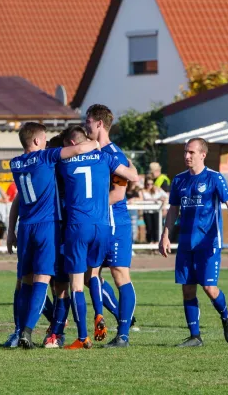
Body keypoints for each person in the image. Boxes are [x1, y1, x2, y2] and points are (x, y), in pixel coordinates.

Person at [6, 122, 102, 349]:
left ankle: (27, 330)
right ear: (38, 141)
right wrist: (97, 142)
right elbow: (78, 149)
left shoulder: (15, 163)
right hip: (48, 226)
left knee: (26, 282)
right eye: (45, 139)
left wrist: (11, 231)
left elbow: (18, 198)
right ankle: (27, 332)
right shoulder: (47, 158)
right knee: (45, 280)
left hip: (26, 227)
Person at [57, 125, 138, 350]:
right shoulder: (106, 158)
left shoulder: (64, 162)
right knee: (93, 274)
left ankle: (83, 337)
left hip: (79, 225)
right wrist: (129, 161)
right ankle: (100, 314)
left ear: (73, 145)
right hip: (102, 226)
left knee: (76, 283)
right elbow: (133, 176)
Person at [158, 137, 228, 347]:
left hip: (208, 242)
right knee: (187, 289)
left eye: (191, 152)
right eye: (186, 152)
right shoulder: (179, 180)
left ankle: (225, 316)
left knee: (209, 288)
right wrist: (165, 235)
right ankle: (195, 336)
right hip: (186, 243)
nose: (187, 156)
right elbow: (173, 210)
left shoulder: (214, 178)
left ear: (203, 155)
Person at [85, 104, 139, 347]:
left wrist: (87, 207)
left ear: (98, 124)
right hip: (100, 223)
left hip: (115, 223)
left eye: (88, 122)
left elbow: (118, 194)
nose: (85, 126)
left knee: (120, 276)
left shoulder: (113, 154)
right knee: (89, 275)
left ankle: (123, 334)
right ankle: (122, 316)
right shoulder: (96, 152)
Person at [141, 177, 167, 248]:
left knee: (157, 228)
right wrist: (157, 199)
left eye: (151, 184)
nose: (149, 185)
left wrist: (164, 206)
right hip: (147, 212)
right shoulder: (143, 191)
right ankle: (150, 244)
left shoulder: (157, 190)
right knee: (149, 228)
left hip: (156, 212)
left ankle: (156, 244)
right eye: (148, 184)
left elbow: (166, 196)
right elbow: (143, 199)